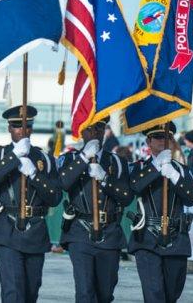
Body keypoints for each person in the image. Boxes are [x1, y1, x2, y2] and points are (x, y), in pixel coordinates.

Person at [0, 105, 62, 302]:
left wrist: (34, 174)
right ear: (9, 128)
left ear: (31, 128)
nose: (22, 130)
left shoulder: (44, 158)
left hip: (35, 229)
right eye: (17, 126)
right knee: (14, 291)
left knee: (31, 291)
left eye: (27, 126)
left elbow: (55, 197)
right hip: (7, 228)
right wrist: (14, 156)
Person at [58, 117, 133, 303]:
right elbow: (63, 183)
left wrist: (105, 178)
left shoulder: (117, 161)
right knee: (84, 291)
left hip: (109, 231)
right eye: (90, 128)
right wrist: (83, 158)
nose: (96, 133)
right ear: (82, 131)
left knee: (105, 293)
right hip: (80, 231)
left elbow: (126, 196)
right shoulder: (69, 158)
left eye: (100, 128)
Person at [128, 122, 193, 303]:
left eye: (166, 137)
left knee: (171, 294)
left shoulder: (182, 170)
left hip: (176, 239)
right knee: (154, 295)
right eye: (158, 137)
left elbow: (192, 198)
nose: (162, 141)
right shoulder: (139, 168)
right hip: (147, 238)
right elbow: (134, 187)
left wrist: (174, 175)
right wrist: (156, 167)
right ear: (148, 141)